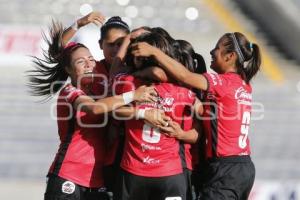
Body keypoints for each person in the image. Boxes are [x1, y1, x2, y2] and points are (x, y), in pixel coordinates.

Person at [27, 21, 161, 200]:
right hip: (69, 174)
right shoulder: (70, 91)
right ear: (68, 69)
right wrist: (133, 96)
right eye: (81, 62)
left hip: (97, 180)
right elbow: (95, 108)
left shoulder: (100, 84)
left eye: (91, 59)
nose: (89, 65)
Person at [130, 32, 261, 200]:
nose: (212, 52)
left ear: (230, 56)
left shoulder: (222, 82)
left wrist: (155, 52)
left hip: (225, 168)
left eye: (217, 48)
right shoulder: (243, 84)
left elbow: (185, 76)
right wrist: (183, 133)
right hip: (243, 167)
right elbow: (210, 114)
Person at [112, 32, 202, 200]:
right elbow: (205, 116)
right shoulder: (183, 91)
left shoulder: (126, 83)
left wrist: (128, 39)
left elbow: (111, 108)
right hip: (170, 174)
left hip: (134, 173)